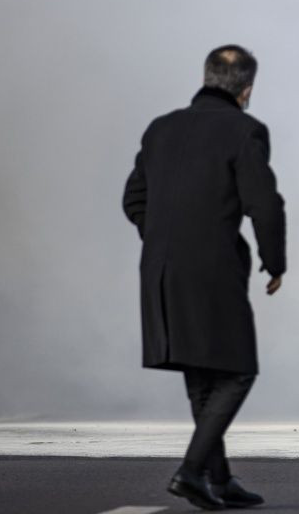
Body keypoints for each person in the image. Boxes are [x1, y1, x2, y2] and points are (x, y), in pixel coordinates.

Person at [122, 45, 286, 511]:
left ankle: (219, 478)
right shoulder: (245, 130)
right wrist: (274, 263)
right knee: (237, 372)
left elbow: (133, 199)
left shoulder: (161, 128)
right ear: (247, 89)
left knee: (202, 374)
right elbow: (264, 204)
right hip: (212, 268)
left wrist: (163, 239)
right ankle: (191, 472)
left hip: (159, 269)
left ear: (207, 77)